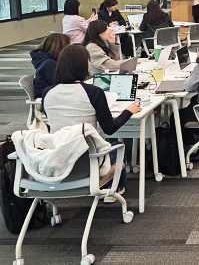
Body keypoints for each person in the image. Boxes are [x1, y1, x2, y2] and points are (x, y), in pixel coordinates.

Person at [42, 45, 141, 197]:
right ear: (83, 65)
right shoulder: (94, 92)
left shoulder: (47, 92)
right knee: (117, 146)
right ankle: (114, 189)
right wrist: (128, 111)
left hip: (58, 161)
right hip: (89, 163)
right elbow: (109, 129)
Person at [30, 33, 71, 98]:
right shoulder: (49, 64)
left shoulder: (48, 61)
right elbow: (60, 85)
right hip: (49, 97)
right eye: (68, 46)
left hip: (52, 94)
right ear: (61, 48)